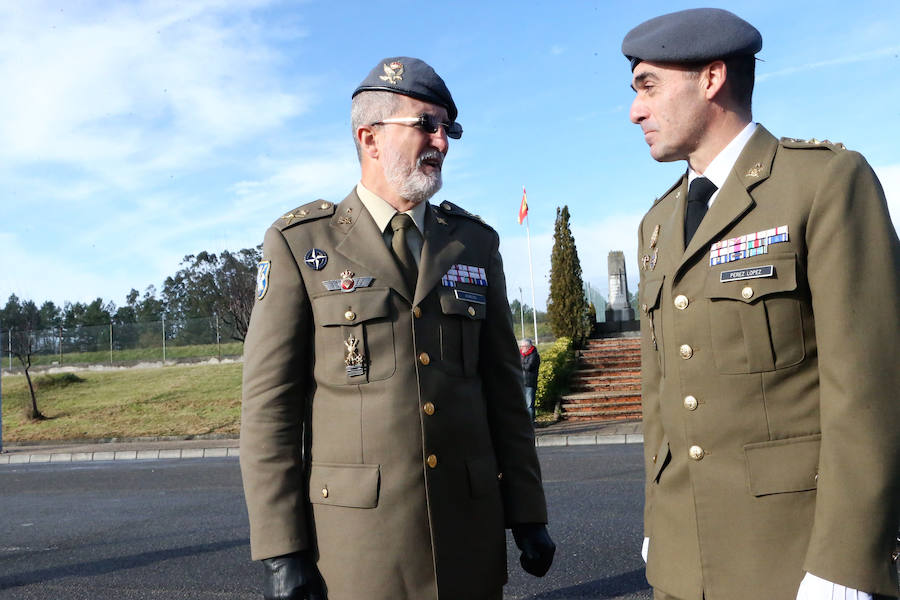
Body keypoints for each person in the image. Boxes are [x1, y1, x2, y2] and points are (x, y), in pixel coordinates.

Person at [239, 56, 555, 600]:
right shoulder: (302, 244)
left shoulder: (474, 243)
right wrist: (281, 549)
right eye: (425, 125)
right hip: (360, 545)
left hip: (467, 538)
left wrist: (527, 511)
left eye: (447, 128)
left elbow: (504, 391)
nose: (442, 142)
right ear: (370, 137)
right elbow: (270, 410)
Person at [622, 8, 900, 600]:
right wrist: (657, 524)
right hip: (679, 557)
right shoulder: (657, 223)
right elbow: (660, 397)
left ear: (712, 78)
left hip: (790, 558)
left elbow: (871, 389)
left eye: (648, 86)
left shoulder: (822, 183)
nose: (635, 110)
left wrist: (848, 561)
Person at [519, 338, 540, 422]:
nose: (521, 348)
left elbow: (528, 367)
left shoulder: (534, 355)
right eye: (521, 346)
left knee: (529, 405)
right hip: (521, 382)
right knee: (523, 405)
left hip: (529, 383)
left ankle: (531, 423)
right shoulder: (520, 354)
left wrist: (520, 363)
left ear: (528, 346)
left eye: (523, 346)